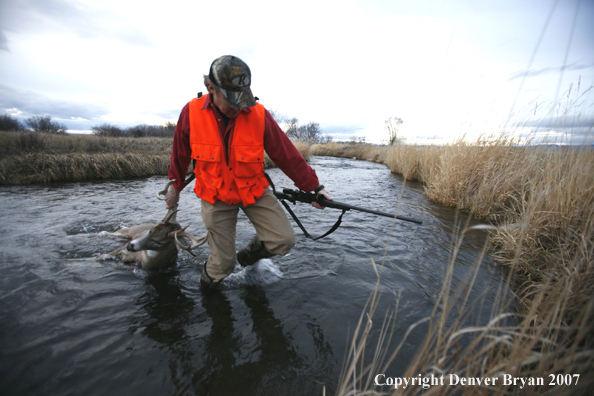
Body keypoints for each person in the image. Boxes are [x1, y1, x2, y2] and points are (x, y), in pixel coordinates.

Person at [164, 55, 332, 289]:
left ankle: (247, 257)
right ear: (211, 88)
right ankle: (208, 290)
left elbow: (287, 155)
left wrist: (315, 188)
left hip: (253, 189)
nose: (239, 107)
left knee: (283, 240)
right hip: (215, 195)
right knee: (222, 265)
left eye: (242, 98)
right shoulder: (191, 113)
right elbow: (180, 155)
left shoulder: (259, 114)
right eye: (232, 100)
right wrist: (175, 187)